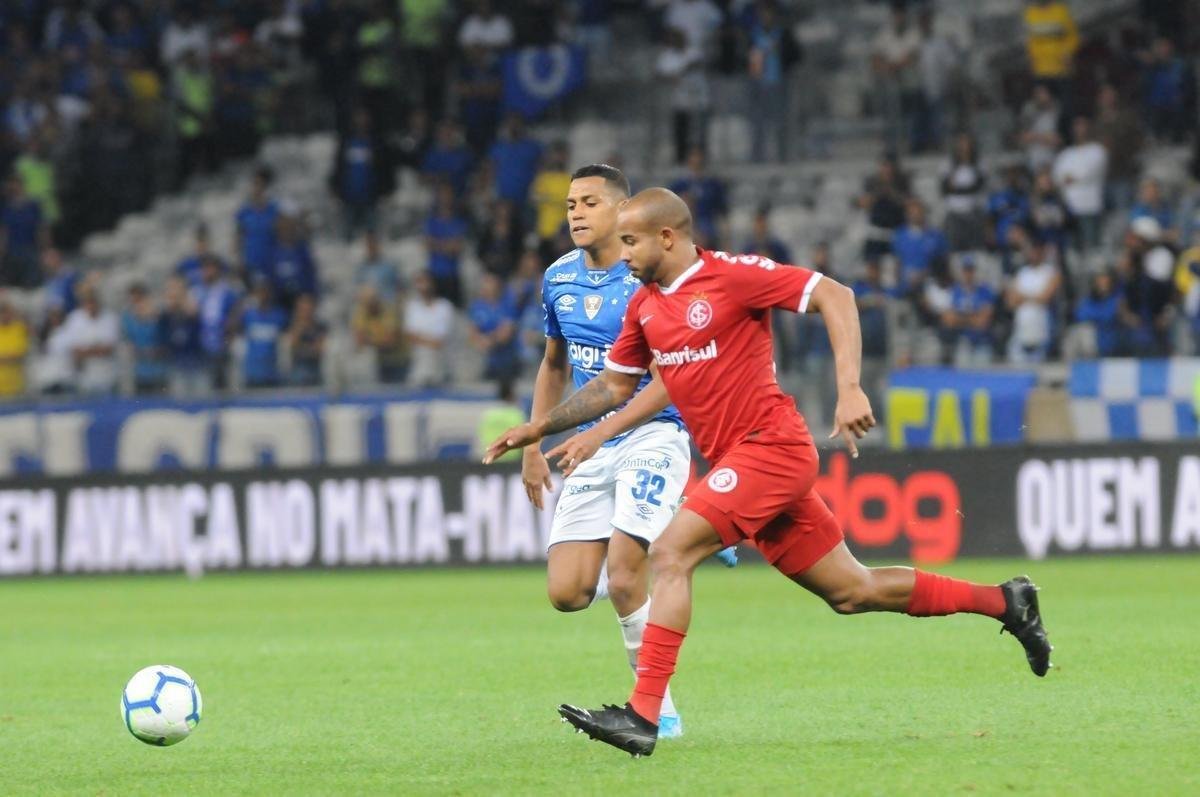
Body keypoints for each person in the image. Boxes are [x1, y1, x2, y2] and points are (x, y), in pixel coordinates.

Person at [483, 187, 1052, 757]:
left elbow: (835, 294)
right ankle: (1006, 601)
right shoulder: (645, 306)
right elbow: (613, 386)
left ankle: (644, 715)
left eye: (631, 241)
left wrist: (849, 388)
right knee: (853, 590)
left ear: (667, 237)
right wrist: (540, 428)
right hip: (738, 461)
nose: (623, 252)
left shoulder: (732, 276)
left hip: (772, 448)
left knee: (671, 553)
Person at [510, 165, 737, 743]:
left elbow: (669, 379)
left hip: (653, 433)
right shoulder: (558, 277)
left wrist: (601, 430)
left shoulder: (648, 279)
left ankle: (656, 710)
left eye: (590, 202)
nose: (576, 213)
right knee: (567, 593)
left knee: (626, 573)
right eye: (570, 204)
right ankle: (686, 516)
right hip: (591, 444)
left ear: (621, 209)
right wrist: (534, 444)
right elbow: (553, 364)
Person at [404, 270, 456, 387]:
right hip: (419, 364)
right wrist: (429, 340)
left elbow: (440, 341)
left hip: (441, 363)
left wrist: (421, 338)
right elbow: (411, 336)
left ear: (433, 283)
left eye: (425, 281)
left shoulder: (445, 307)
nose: (423, 286)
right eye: (419, 282)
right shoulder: (412, 307)